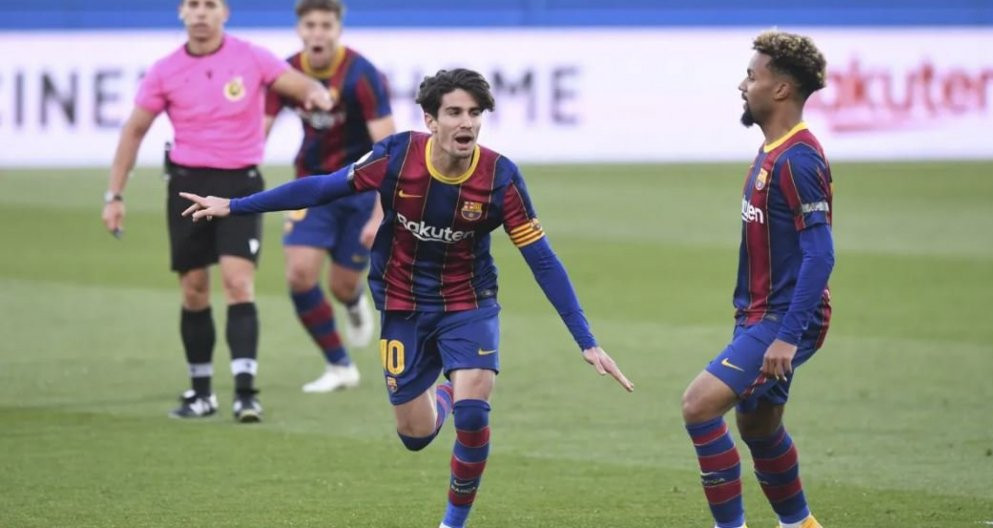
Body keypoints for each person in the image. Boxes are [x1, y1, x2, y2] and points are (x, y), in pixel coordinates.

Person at [180, 68, 634, 528]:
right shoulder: (398, 156)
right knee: (414, 434)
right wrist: (234, 206)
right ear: (430, 119)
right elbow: (322, 187)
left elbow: (542, 259)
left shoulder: (501, 177)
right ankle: (443, 392)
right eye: (454, 112)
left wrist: (586, 340)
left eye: (475, 114)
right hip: (402, 303)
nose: (467, 124)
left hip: (468, 301)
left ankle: (452, 522)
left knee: (474, 413)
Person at [101, 0, 335, 423]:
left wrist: (317, 95)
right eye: (193, 5)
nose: (201, 12)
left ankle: (246, 393)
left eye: (210, 4)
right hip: (187, 185)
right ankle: (201, 392)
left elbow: (300, 86)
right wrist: (114, 195)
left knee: (237, 282)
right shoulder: (165, 70)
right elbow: (134, 130)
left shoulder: (251, 56)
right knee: (193, 288)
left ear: (224, 12)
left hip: (239, 185)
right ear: (181, 13)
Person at [680, 31, 834, 528]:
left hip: (783, 320)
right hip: (758, 317)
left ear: (782, 90)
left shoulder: (798, 160)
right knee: (758, 426)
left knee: (699, 405)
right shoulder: (773, 151)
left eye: (753, 75)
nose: (742, 85)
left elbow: (821, 254)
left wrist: (787, 337)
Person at [264, 0, 395, 394]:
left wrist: (379, 216)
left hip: (358, 188)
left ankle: (353, 302)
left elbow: (388, 149)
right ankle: (340, 366)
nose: (317, 33)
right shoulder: (285, 73)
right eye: (310, 25)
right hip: (311, 185)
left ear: (338, 29)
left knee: (341, 286)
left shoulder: (361, 74)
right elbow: (258, 131)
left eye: (325, 25)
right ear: (299, 29)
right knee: (299, 274)